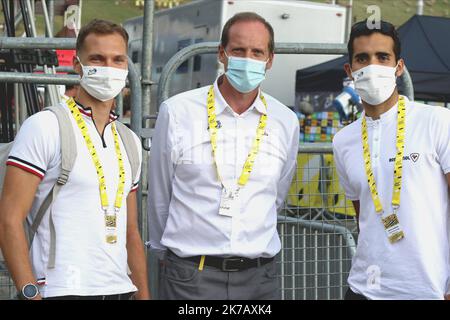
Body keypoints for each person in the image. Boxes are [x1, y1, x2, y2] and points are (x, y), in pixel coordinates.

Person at [147, 12, 299, 300]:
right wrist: (162, 252)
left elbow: (276, 196)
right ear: (222, 53)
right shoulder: (178, 111)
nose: (248, 59)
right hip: (190, 277)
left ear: (270, 60)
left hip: (259, 280)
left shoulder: (285, 121)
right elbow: (159, 193)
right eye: (239, 50)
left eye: (257, 52)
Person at [0, 19, 150, 300]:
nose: (108, 67)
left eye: (117, 60)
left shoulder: (129, 141)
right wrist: (29, 292)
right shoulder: (44, 126)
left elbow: (131, 231)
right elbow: (8, 219)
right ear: (78, 65)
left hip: (118, 290)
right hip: (59, 291)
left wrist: (143, 294)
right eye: (97, 58)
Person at [333, 20, 450, 300]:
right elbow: (365, 215)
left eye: (382, 57)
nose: (372, 66)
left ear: (398, 68)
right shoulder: (343, 140)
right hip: (364, 287)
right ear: (350, 70)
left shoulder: (437, 121)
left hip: (427, 291)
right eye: (362, 58)